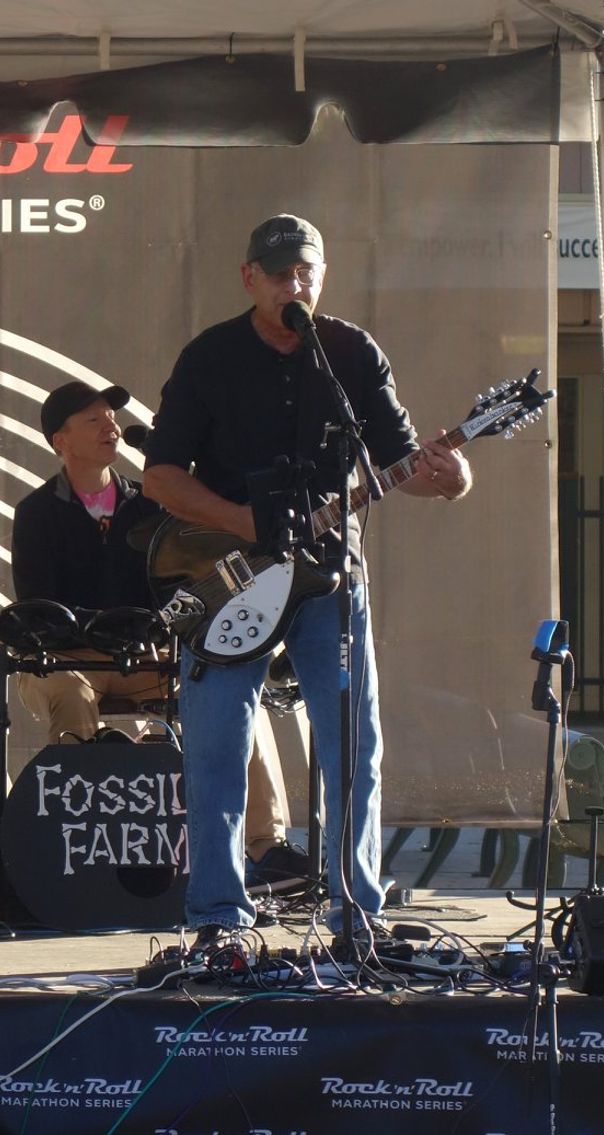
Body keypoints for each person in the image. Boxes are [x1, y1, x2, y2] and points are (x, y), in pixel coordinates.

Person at [141, 214, 472, 943]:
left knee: (354, 744)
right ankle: (218, 917)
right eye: (280, 274)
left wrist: (452, 478)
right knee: (218, 747)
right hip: (231, 576)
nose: (294, 285)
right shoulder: (209, 357)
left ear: (322, 277)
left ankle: (356, 913)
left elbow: (400, 462)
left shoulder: (351, 352)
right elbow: (160, 475)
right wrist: (240, 521)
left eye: (306, 273)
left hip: (329, 576)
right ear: (249, 278)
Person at [11, 382, 306, 881]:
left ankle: (265, 846)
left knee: (235, 696)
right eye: (93, 419)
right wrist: (99, 630)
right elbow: (37, 607)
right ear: (61, 441)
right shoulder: (36, 512)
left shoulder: (149, 505)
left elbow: (177, 584)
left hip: (146, 656)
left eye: (110, 417)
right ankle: (78, 846)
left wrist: (160, 624)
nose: (110, 426)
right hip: (71, 659)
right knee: (69, 694)